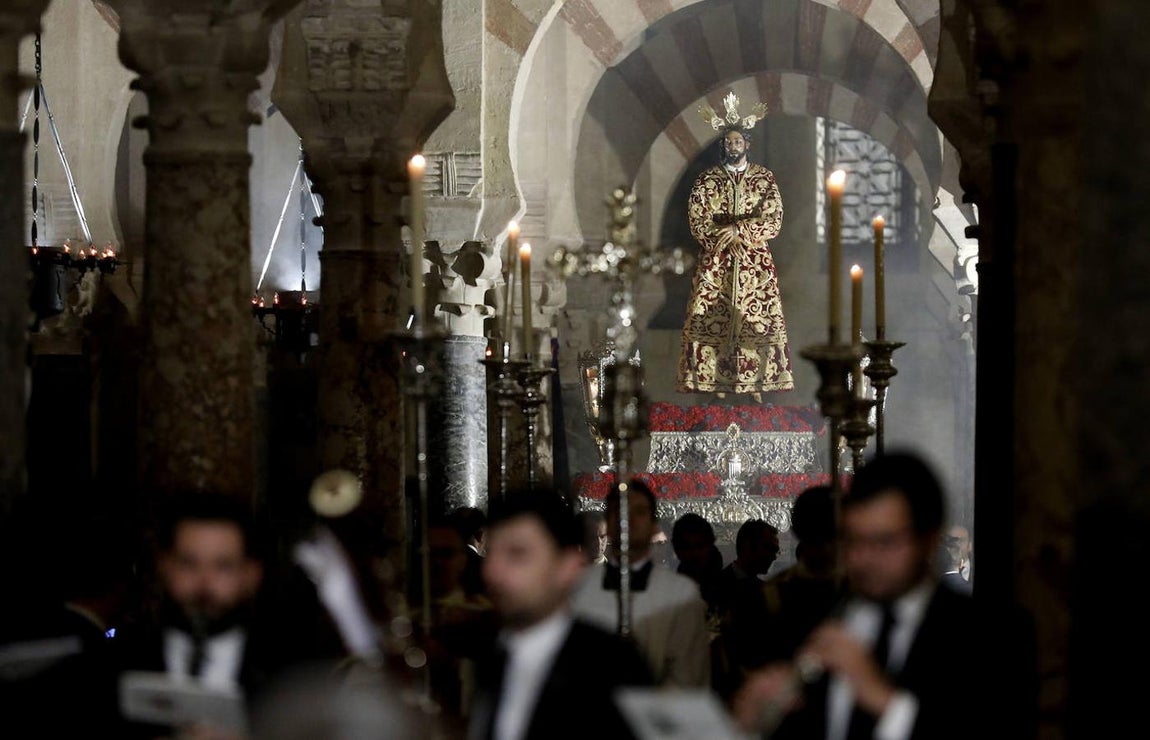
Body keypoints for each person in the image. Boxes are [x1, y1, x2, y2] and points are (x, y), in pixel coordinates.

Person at [732, 452, 1003, 740]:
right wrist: (756, 722)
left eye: (884, 542)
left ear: (929, 538)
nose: (863, 559)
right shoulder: (822, 615)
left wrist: (882, 698)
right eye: (854, 540)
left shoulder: (990, 632)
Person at [468, 489, 653, 739]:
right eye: (493, 553)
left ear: (568, 567)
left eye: (517, 554)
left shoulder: (610, 665)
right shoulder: (488, 651)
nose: (494, 571)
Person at [677, 91, 794, 402]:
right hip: (716, 263)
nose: (733, 146)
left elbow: (774, 218)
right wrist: (725, 237)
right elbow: (697, 219)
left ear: (746, 144)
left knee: (756, 320)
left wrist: (739, 230)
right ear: (723, 146)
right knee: (711, 317)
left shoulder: (764, 178)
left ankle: (756, 384)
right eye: (728, 142)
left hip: (755, 264)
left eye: (738, 142)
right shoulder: (707, 180)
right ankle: (714, 384)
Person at [570, 479, 711, 688]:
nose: (628, 521)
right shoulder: (578, 589)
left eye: (639, 512)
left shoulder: (681, 593)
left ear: (654, 525)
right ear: (607, 525)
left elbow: (689, 675)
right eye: (620, 512)